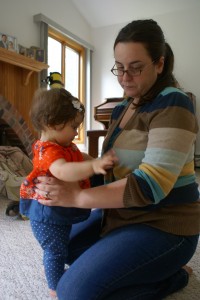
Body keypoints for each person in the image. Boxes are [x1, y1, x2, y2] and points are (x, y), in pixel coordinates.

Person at [35, 19, 200, 300]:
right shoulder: (121, 107)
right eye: (119, 67)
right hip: (119, 217)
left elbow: (150, 186)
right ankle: (142, 267)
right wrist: (65, 161)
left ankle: (172, 277)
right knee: (63, 246)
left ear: (159, 64)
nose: (125, 77)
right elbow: (111, 167)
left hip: (164, 224)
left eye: (135, 68)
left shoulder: (174, 103)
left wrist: (76, 197)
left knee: (72, 291)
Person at [19, 88, 117, 297]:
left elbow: (78, 155)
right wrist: (93, 167)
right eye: (74, 127)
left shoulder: (62, 145)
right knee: (55, 251)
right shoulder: (49, 152)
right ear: (53, 124)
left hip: (57, 215)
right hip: (47, 218)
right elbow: (64, 171)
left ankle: (55, 271)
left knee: (62, 246)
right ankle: (54, 287)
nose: (76, 132)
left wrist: (94, 161)